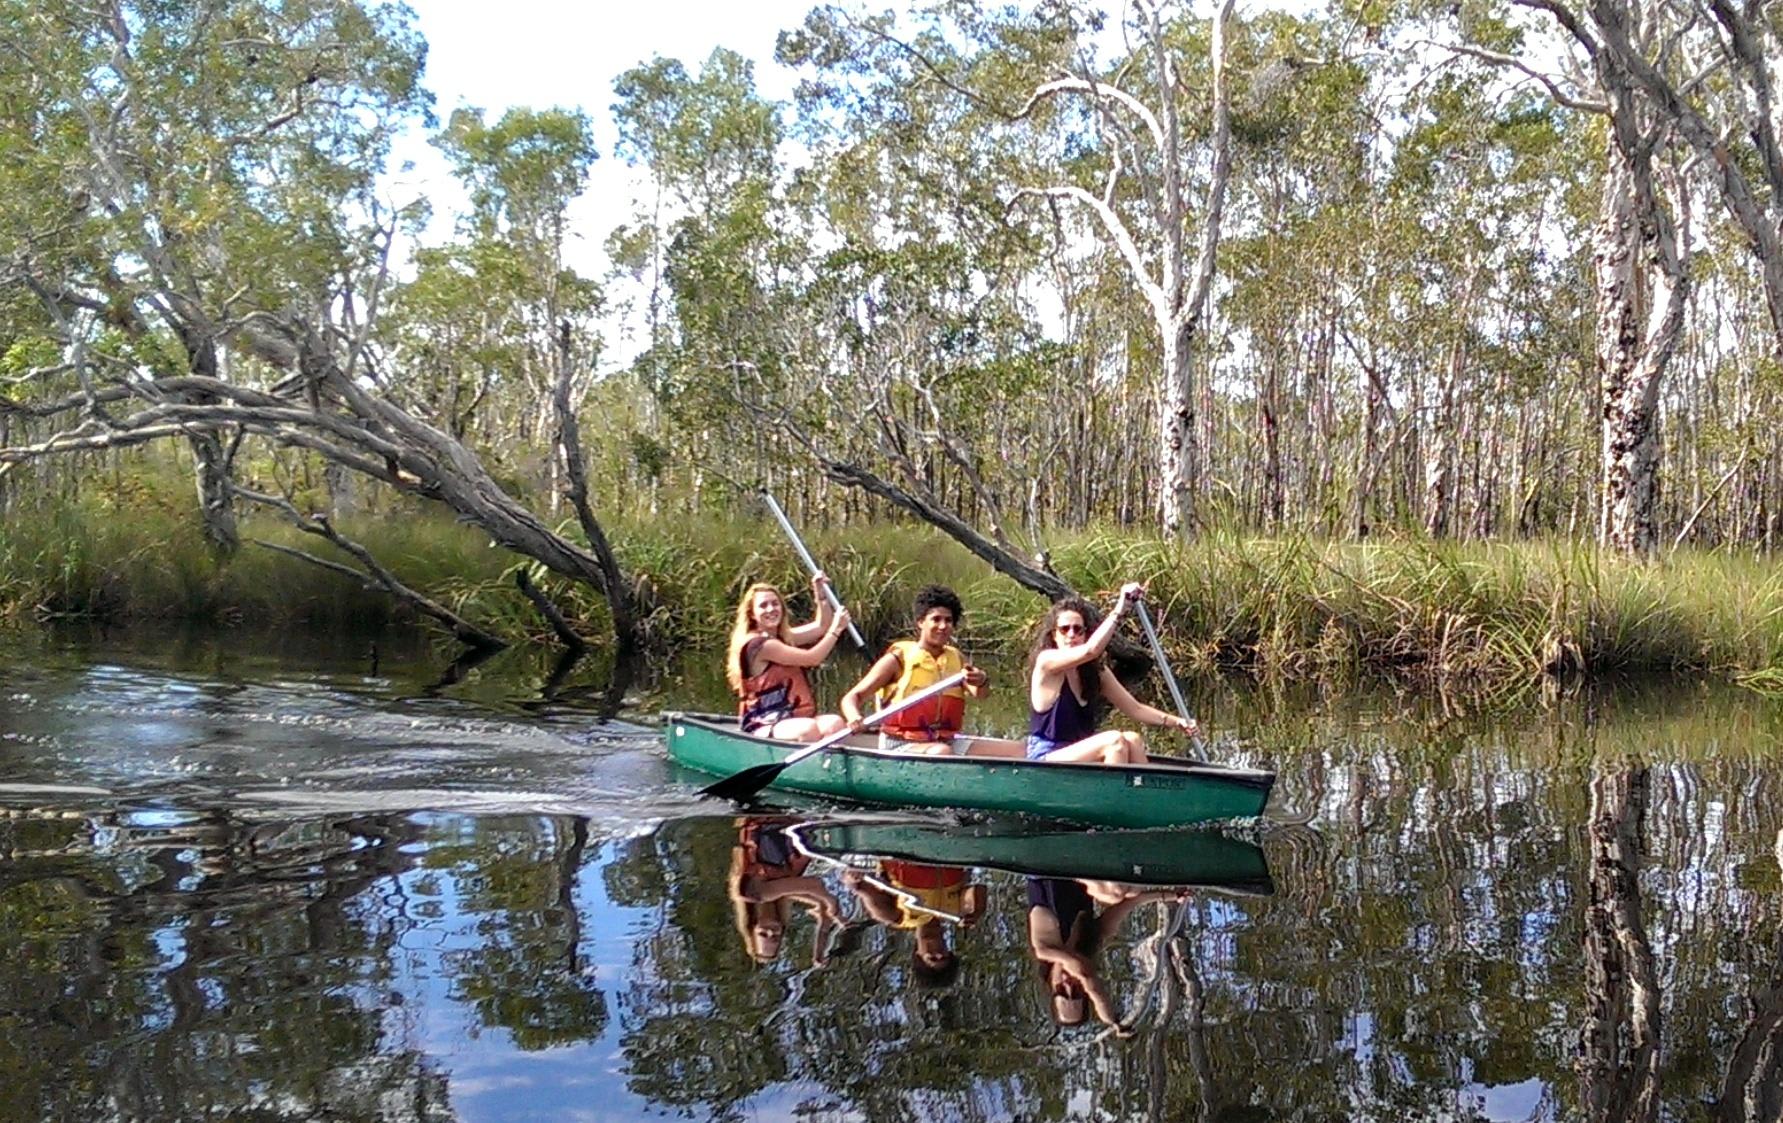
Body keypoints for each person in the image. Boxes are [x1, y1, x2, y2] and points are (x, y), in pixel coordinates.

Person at [1025, 584, 1198, 765]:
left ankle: (1141, 785)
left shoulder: (1095, 672)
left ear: (1085, 634)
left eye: (1078, 629)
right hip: (1047, 755)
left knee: (1132, 739)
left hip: (1080, 753)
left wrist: (1177, 722)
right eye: (1064, 629)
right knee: (1114, 741)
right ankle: (1112, 785)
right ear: (1054, 635)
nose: (1071, 635)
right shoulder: (1047, 661)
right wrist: (1120, 609)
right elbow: (1091, 650)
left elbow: (1135, 709)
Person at [840, 584, 988, 755]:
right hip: (900, 743)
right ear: (921, 622)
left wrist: (982, 680)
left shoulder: (957, 658)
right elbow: (852, 697)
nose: (943, 626)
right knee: (941, 752)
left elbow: (980, 694)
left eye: (948, 620)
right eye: (936, 619)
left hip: (946, 740)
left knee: (1015, 751)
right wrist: (854, 717)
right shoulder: (897, 659)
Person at [1027, 877, 1186, 1029]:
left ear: (1050, 983)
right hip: (1080, 867)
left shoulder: (1043, 949)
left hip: (1048, 868)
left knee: (1115, 892)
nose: (1068, 984)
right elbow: (1131, 902)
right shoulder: (1091, 936)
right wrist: (1172, 896)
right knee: (1131, 891)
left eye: (1061, 990)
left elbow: (1085, 974)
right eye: (1076, 991)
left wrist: (1111, 1021)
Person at [726, 574, 852, 741]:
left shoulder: (783, 637)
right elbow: (812, 658)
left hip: (794, 716)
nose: (771, 609)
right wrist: (836, 630)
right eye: (763, 605)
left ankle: (827, 758)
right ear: (752, 614)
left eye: (775, 603)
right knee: (808, 729)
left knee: (835, 724)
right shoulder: (760, 646)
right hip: (763, 722)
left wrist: (821, 596)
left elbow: (822, 626)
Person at [843, 859, 987, 990]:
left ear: (918, 955)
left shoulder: (895, 917)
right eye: (944, 957)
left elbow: (861, 886)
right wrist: (977, 911)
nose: (938, 953)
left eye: (932, 958)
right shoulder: (957, 911)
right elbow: (980, 884)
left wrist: (852, 878)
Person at [729, 816, 843, 967]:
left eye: (763, 934)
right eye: (775, 937)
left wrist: (831, 901)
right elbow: (821, 905)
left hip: (770, 818)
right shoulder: (779, 894)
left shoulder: (754, 894)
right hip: (796, 823)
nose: (771, 932)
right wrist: (819, 951)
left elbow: (814, 885)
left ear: (753, 926)